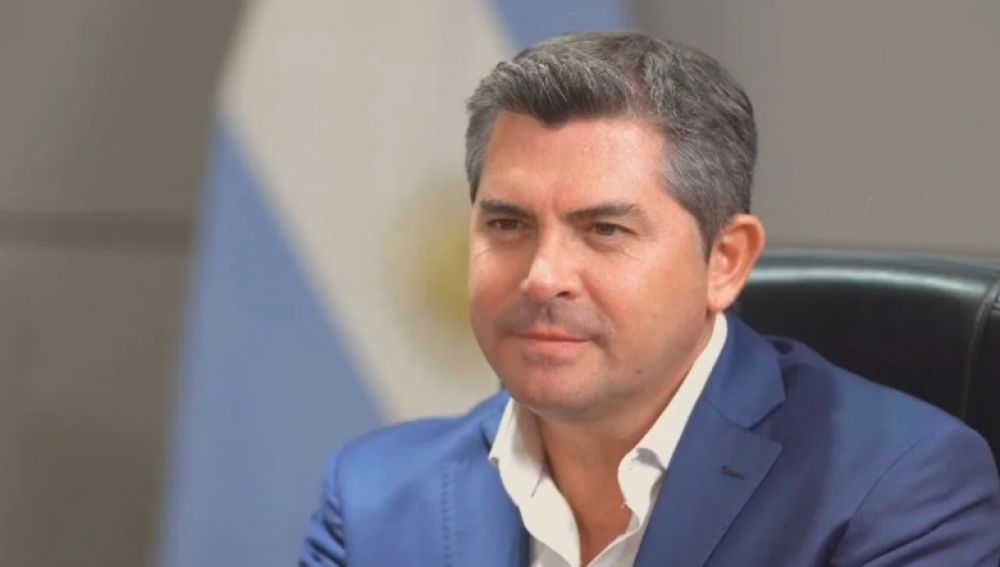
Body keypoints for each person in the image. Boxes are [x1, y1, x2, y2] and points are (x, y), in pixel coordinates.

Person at [299, 32, 1000, 566]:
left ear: (725, 261)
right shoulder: (373, 499)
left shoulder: (897, 491)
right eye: (507, 225)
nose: (542, 276)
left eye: (604, 230)